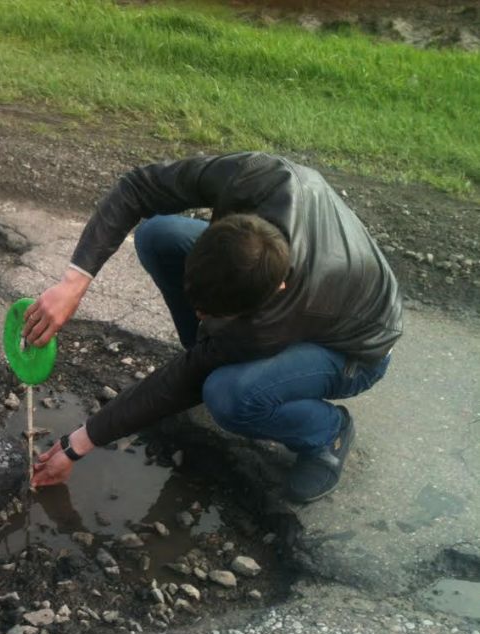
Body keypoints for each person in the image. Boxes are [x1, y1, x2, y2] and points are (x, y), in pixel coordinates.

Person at [24, 152, 402, 502]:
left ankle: (326, 432)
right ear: (226, 225)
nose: (198, 315)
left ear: (272, 292)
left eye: (210, 315)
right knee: (159, 235)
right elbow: (138, 186)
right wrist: (74, 280)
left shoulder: (273, 319)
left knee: (228, 394)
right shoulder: (257, 177)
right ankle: (225, 354)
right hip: (309, 261)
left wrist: (78, 444)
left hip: (357, 348)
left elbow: (184, 379)